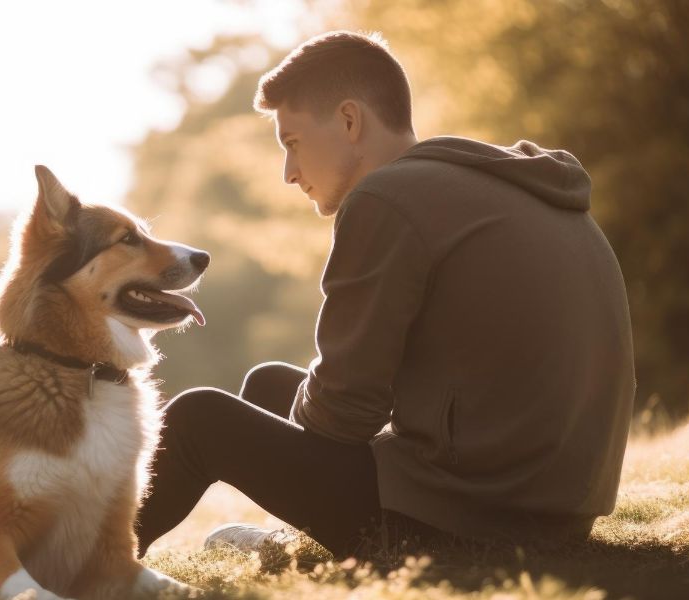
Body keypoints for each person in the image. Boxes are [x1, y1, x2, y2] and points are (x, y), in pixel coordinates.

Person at [134, 30, 636, 558]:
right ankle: (302, 543)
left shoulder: (385, 199)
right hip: (553, 506)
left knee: (198, 419)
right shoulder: (501, 184)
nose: (288, 173)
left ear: (350, 121)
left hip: (471, 519)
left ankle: (69, 572)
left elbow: (344, 413)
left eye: (293, 143)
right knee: (267, 386)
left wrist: (317, 420)